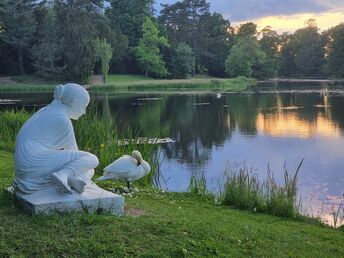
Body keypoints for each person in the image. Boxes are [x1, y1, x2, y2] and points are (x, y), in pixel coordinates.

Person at [13, 83, 99, 194]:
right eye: (83, 107)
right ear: (74, 103)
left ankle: (70, 177)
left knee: (86, 169)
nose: (84, 112)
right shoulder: (62, 119)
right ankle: (64, 174)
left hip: (23, 166)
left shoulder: (46, 110)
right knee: (91, 160)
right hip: (33, 164)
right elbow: (75, 151)